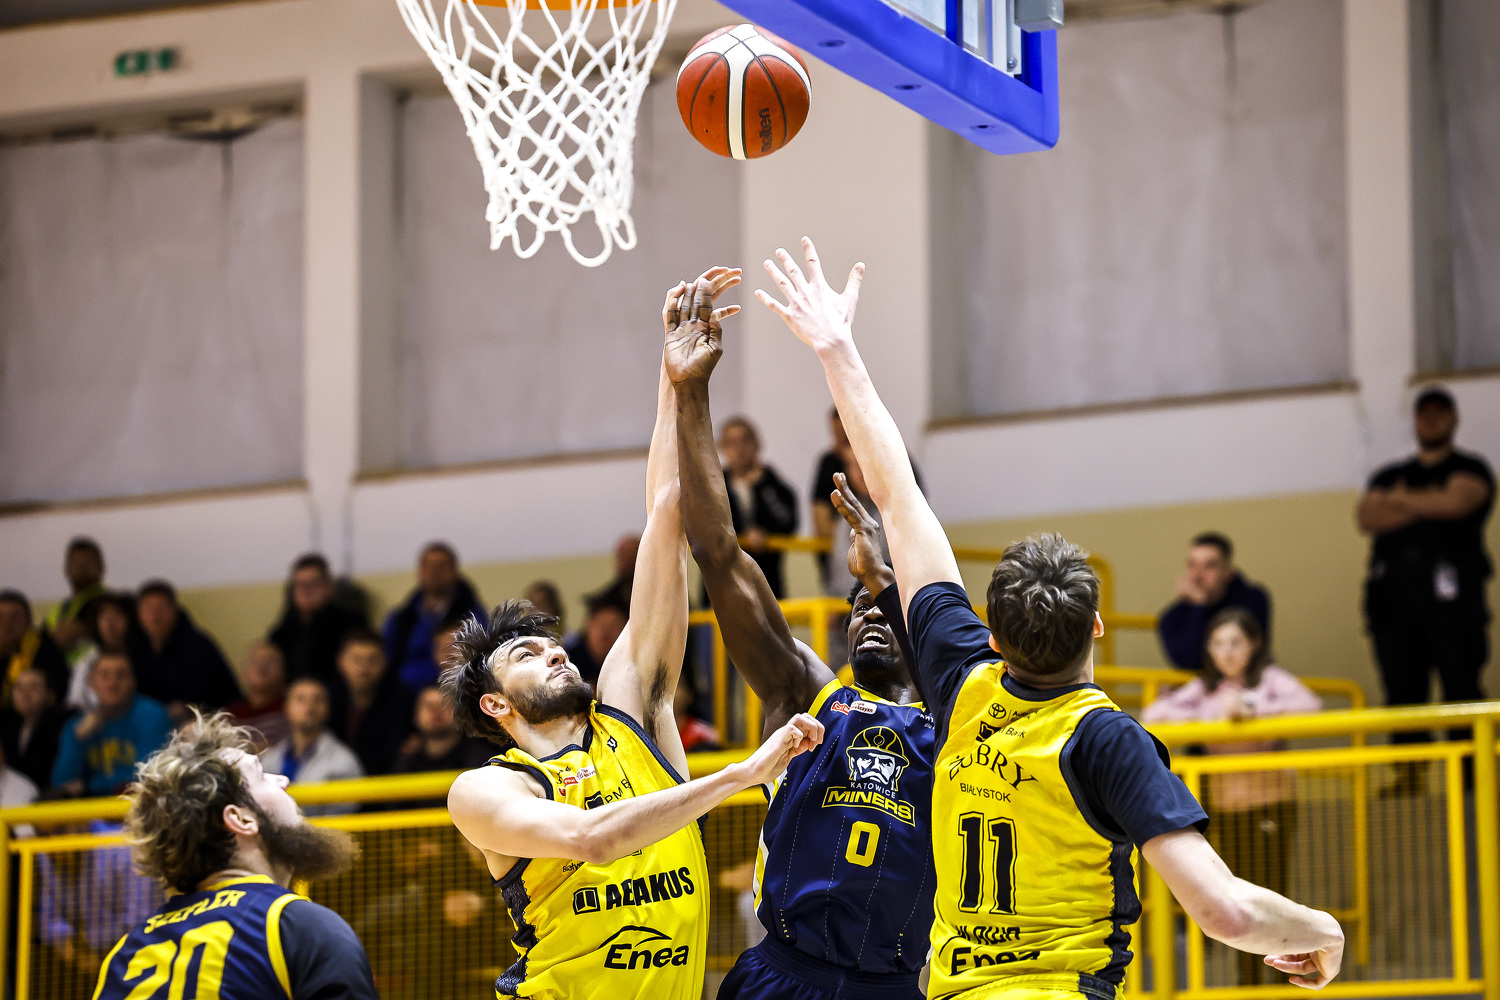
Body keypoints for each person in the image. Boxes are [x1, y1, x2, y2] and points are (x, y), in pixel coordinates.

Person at [760, 237, 1344, 994]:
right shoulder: (1107, 740)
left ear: (992, 635)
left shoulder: (962, 681)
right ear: (1097, 626)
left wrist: (837, 350)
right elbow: (1223, 912)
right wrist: (1321, 929)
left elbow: (898, 496)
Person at [443, 270, 825, 1000]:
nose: (555, 650)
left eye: (551, 643)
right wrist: (740, 776)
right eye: (526, 654)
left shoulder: (631, 715)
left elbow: (667, 514)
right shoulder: (487, 791)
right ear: (496, 705)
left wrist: (675, 381)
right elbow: (593, 839)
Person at [668, 275, 936, 1000]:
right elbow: (718, 553)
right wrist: (690, 393)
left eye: (884, 603)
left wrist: (889, 574)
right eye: (858, 605)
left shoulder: (957, 721)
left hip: (894, 984)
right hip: (783, 976)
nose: (869, 613)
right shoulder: (808, 695)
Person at [93, 713, 379, 1000]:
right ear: (241, 819)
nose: (283, 780)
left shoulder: (125, 953)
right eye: (261, 776)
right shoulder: (302, 927)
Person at [1142, 607, 1323, 984]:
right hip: (1224, 807)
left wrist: (1253, 710)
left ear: (1254, 644)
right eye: (1218, 643)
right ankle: (1248, 983)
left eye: (1235, 643)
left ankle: (1281, 982)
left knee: (1273, 894)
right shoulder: (1204, 688)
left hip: (1271, 803)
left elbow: (1311, 708)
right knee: (1237, 897)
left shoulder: (1270, 680)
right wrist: (1210, 717)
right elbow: (1154, 715)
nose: (1226, 652)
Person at [1358, 386, 1493, 739]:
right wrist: (1430, 501)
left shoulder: (1471, 468)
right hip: (1393, 604)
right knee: (1402, 698)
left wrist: (1400, 500)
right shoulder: (1388, 474)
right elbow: (1368, 517)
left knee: (1461, 691)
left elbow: (1456, 503)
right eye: (1424, 414)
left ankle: (1471, 772)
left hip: (1455, 603)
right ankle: (1410, 770)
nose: (1431, 421)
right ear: (1414, 421)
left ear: (1454, 419)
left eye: (1439, 414)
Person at [52, 651, 173, 798]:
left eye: (121, 675)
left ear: (133, 681)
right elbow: (61, 785)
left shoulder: (153, 715)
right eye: (105, 675)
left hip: (138, 803)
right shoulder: (76, 725)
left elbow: (149, 776)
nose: (112, 683)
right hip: (89, 808)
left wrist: (90, 786)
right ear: (91, 682)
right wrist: (78, 741)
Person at [129, 580, 242, 724]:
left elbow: (204, 698)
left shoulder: (197, 645)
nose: (154, 616)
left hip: (209, 722)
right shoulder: (136, 647)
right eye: (148, 609)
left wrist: (182, 707)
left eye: (160, 609)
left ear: (174, 609)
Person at [1157, 533, 1272, 672]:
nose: (1197, 575)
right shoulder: (1172, 617)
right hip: (1202, 685)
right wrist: (1199, 606)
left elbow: (1248, 656)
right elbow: (1190, 661)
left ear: (1229, 572)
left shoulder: (1253, 599)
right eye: (1192, 565)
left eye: (1209, 566)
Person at [383, 541, 487, 694]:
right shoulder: (401, 619)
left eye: (441, 566)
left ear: (455, 571)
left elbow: (482, 663)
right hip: (407, 696)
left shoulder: (474, 617)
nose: (435, 572)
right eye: (429, 566)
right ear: (419, 571)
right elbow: (387, 661)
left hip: (460, 693)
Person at [719, 415, 799, 598]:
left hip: (767, 581)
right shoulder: (714, 485)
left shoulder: (772, 484)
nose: (739, 449)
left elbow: (788, 522)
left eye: (744, 440)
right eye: (731, 443)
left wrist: (761, 486)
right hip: (723, 585)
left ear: (757, 444)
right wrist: (741, 534)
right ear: (723, 448)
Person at [259, 678, 365, 815]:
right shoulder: (270, 758)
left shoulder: (344, 762)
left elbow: (341, 815)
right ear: (286, 707)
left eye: (317, 700)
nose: (309, 707)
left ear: (327, 708)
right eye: (300, 699)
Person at [268, 554, 369, 688]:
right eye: (299, 584)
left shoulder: (350, 624)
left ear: (329, 587)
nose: (305, 591)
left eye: (313, 584)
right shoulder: (281, 632)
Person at [330, 628, 415, 776]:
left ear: (385, 662)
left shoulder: (404, 702)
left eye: (372, 660)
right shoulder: (327, 700)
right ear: (340, 662)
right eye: (356, 660)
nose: (364, 669)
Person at [0, 667, 67, 792]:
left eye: (34, 687)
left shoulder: (63, 725)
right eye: (19, 687)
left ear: (50, 695)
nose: (25, 694)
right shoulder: (7, 726)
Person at [44, 536, 108, 668]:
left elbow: (62, 637)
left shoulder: (109, 603)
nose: (82, 567)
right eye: (76, 563)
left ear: (101, 567)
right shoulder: (60, 608)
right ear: (66, 568)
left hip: (97, 673)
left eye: (88, 562)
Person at [68, 591, 136, 714]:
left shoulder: (139, 656)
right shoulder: (87, 657)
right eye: (104, 616)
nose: (110, 623)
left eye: (117, 615)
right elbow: (75, 700)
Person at [1, 589, 71, 705]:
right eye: (1, 618)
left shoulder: (48, 654)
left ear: (29, 622)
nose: (7, 625)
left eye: (15, 618)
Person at [227, 641, 291, 749]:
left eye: (269, 662)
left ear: (283, 673)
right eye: (255, 661)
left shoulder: (290, 712)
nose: (262, 666)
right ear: (243, 672)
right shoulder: (229, 716)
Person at [562, 591, 629, 689]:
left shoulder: (632, 667)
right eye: (600, 624)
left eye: (613, 626)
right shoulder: (566, 663)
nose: (604, 634)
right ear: (588, 626)